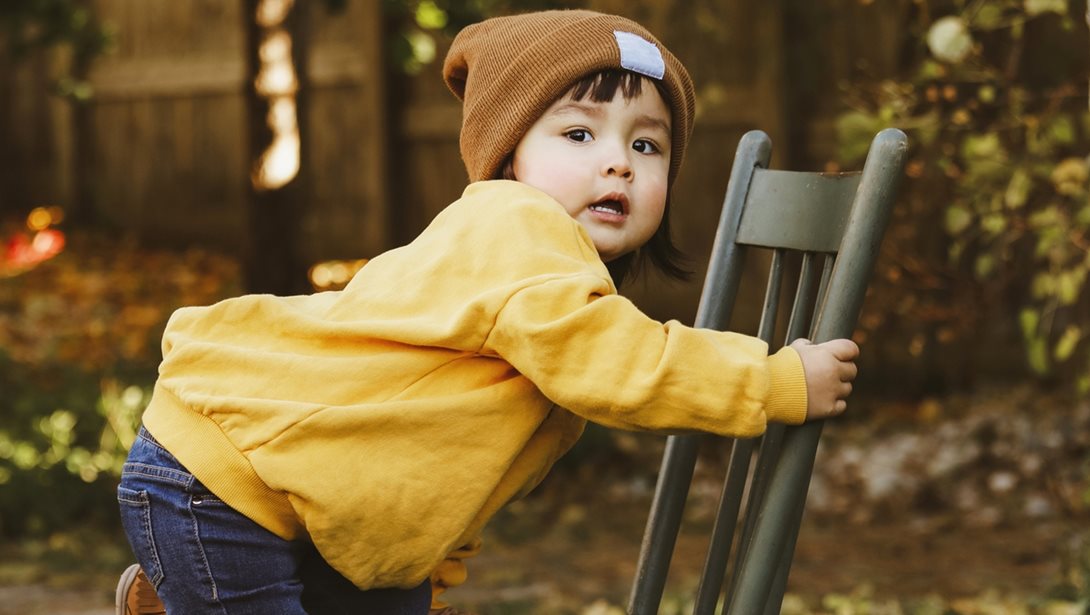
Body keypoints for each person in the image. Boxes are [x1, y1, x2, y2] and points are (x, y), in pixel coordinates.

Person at [114, 9, 859, 615]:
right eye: (578, 133)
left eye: (647, 143)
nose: (618, 161)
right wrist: (773, 380)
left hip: (293, 492)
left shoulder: (551, 286)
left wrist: (433, 570)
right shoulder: (519, 233)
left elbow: (455, 460)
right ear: (509, 159)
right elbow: (635, 366)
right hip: (223, 484)